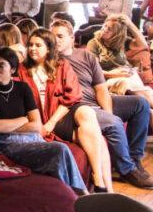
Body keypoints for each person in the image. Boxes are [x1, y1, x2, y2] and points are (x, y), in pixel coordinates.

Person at [51, 19, 153, 188]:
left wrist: (108, 112)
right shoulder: (50, 60)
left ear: (71, 37)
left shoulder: (86, 56)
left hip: (96, 101)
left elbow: (100, 89)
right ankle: (126, 170)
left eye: (60, 36)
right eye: (53, 36)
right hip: (78, 107)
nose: (56, 40)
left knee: (140, 104)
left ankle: (134, 160)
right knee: (114, 123)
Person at [0, 47, 86, 192]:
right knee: (60, 149)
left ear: (12, 69)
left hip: (33, 138)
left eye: (1, 65)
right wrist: (23, 119)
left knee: (59, 151)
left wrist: (7, 124)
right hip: (8, 143)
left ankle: (74, 194)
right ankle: (77, 194)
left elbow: (36, 125)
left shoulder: (23, 88)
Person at [18, 28, 113, 191]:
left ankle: (100, 180)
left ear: (48, 48)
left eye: (38, 45)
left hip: (60, 114)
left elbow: (73, 96)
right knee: (96, 137)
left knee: (87, 113)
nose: (33, 48)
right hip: (40, 117)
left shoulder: (62, 65)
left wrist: (52, 123)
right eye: (31, 45)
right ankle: (106, 190)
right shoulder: (21, 69)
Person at [87, 14, 153, 109]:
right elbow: (94, 71)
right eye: (105, 26)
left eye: (109, 29)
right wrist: (115, 74)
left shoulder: (122, 42)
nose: (104, 29)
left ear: (117, 34)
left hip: (128, 75)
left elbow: (143, 45)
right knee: (132, 87)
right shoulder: (94, 43)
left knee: (147, 97)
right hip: (109, 78)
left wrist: (129, 24)